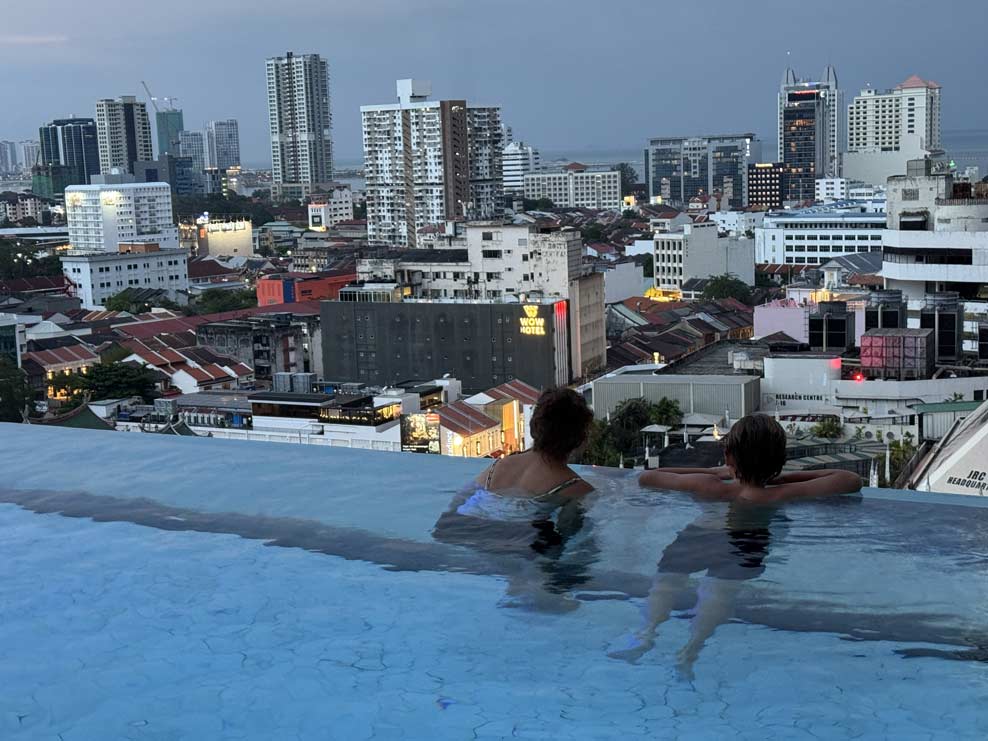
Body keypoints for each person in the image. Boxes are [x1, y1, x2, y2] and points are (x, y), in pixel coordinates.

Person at [610, 414, 861, 674]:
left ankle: (646, 634)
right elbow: (849, 479)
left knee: (666, 582)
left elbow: (649, 477)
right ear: (780, 460)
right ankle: (691, 649)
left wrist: (710, 472)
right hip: (747, 541)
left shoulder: (710, 486)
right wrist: (783, 477)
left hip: (700, 537)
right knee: (720, 593)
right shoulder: (780, 493)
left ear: (729, 456)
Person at [432, 388, 596, 609]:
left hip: (461, 531)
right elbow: (574, 541)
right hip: (513, 545)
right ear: (580, 438)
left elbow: (457, 504)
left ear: (534, 427)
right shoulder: (574, 488)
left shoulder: (497, 466)